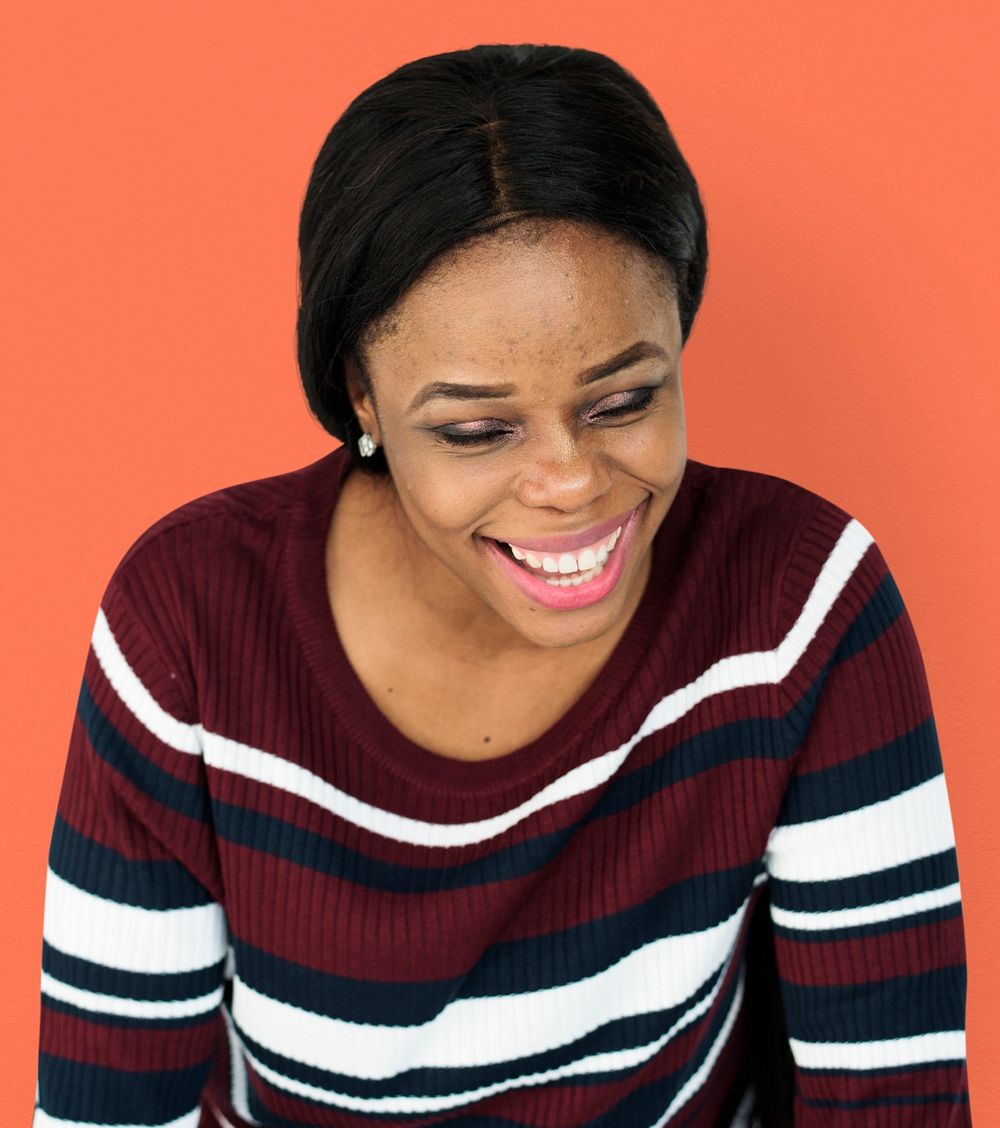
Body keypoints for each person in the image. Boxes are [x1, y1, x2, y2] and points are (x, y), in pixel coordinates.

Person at [32, 43, 970, 1128]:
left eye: (622, 401)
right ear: (362, 399)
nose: (569, 482)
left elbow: (891, 1098)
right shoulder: (190, 630)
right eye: (476, 429)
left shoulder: (799, 605)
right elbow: (108, 1110)